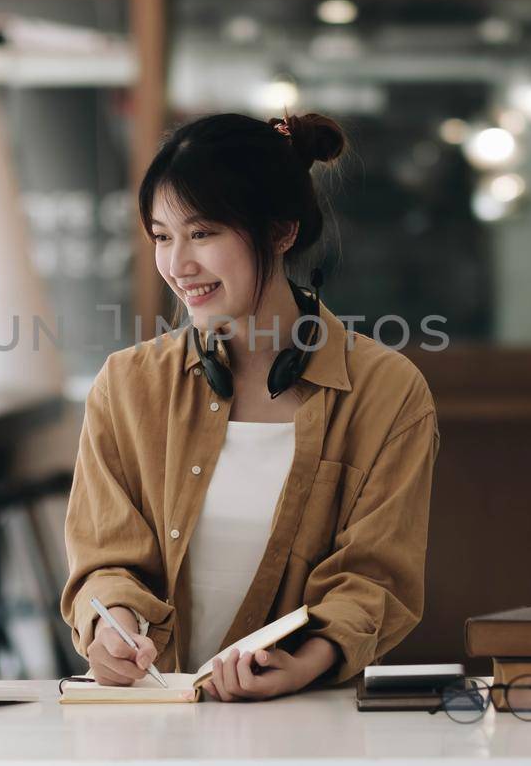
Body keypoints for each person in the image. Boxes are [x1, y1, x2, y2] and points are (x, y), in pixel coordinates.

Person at [61, 111, 439, 701]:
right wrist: (114, 624)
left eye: (204, 233)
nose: (178, 265)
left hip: (304, 721)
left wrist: (305, 663)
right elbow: (106, 559)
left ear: (281, 231)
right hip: (153, 719)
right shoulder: (127, 386)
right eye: (163, 236)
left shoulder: (387, 393)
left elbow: (376, 579)